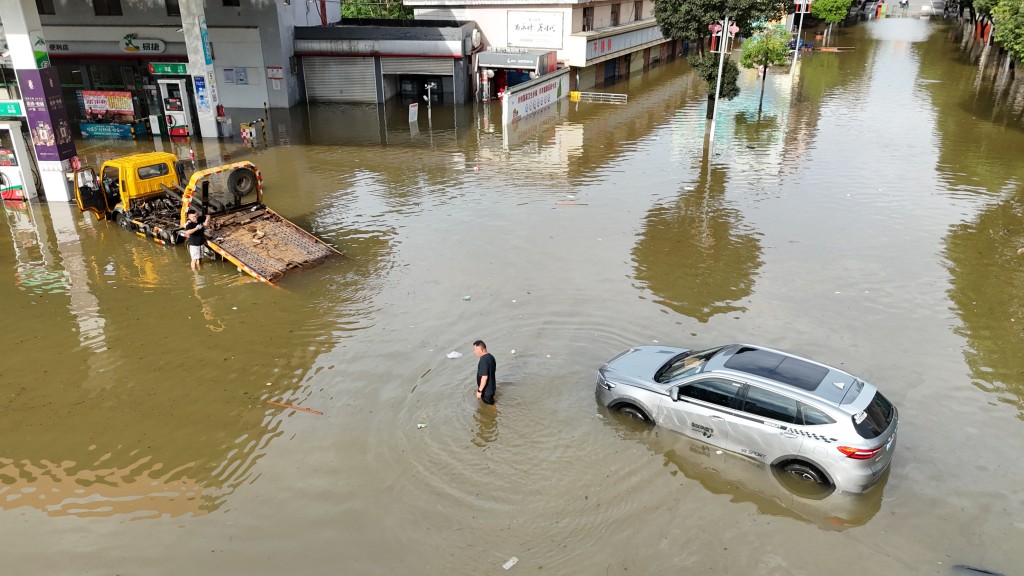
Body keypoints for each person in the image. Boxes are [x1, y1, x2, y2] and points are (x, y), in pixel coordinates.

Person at [473, 340, 497, 405]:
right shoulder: (491, 357)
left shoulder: (483, 360)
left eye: (475, 349)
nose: (474, 352)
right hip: (492, 388)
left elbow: (484, 377)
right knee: (491, 402)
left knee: (490, 407)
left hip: (486, 391)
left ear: (481, 349)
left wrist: (479, 391)